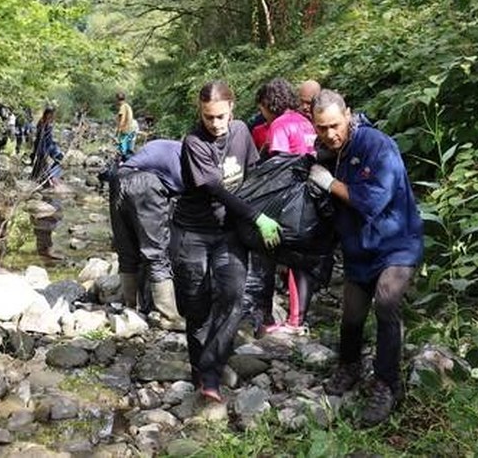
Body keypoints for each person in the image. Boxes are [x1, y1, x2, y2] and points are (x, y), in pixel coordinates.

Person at [308, 89, 423, 427]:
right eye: (321, 128)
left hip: (396, 242)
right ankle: (350, 366)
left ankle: (387, 384)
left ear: (349, 115)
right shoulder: (330, 151)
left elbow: (374, 200)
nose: (329, 134)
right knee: (353, 312)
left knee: (386, 301)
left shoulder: (376, 145)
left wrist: (330, 184)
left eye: (334, 125)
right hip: (359, 248)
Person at [172, 80, 282, 403]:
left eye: (221, 116)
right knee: (197, 305)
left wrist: (272, 207)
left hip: (230, 231)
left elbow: (253, 174)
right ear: (200, 112)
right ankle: (199, 371)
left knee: (233, 297)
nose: (216, 124)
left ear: (232, 109)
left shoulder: (242, 133)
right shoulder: (193, 142)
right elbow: (217, 190)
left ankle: (210, 374)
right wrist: (256, 217)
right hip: (193, 232)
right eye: (209, 117)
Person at [244, 78, 323, 335]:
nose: (261, 114)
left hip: (290, 197)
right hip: (313, 192)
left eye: (262, 109)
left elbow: (279, 167)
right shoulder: (304, 121)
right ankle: (298, 317)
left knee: (279, 250)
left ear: (268, 104)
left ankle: (284, 320)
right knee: (301, 256)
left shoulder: (280, 124)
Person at [109, 139, 185, 330]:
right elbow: (183, 192)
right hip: (146, 185)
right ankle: (169, 316)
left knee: (126, 249)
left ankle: (130, 308)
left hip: (118, 178)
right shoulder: (188, 157)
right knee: (156, 253)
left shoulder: (166, 146)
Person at [30, 107, 63, 188]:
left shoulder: (48, 123)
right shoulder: (42, 123)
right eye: (50, 114)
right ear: (47, 114)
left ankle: (38, 177)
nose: (51, 116)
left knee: (59, 158)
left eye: (52, 115)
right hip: (42, 147)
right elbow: (41, 138)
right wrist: (44, 150)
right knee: (42, 162)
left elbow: (49, 139)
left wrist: (54, 145)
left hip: (49, 146)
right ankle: (49, 179)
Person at [115, 92, 138, 158]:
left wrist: (118, 131)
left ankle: (124, 164)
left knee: (123, 149)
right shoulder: (128, 106)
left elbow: (122, 119)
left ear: (117, 99)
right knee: (129, 149)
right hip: (132, 129)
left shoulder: (122, 107)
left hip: (126, 129)